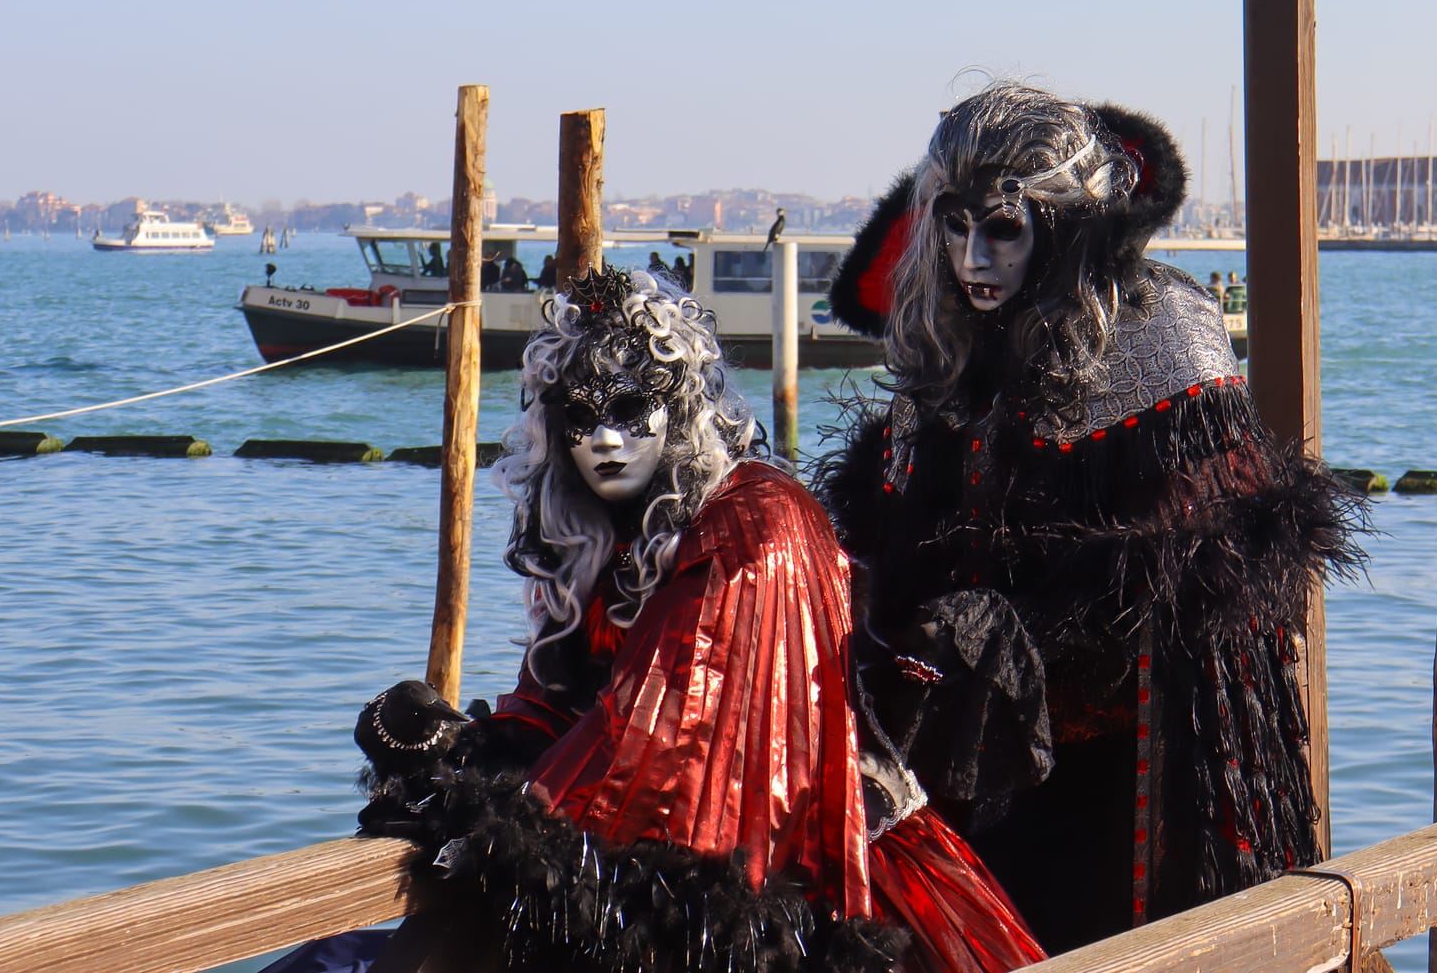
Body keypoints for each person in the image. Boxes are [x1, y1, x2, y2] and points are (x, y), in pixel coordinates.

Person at [349, 268, 1042, 973]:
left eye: (628, 406)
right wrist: (464, 747)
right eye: (581, 416)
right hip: (672, 860)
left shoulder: (757, 525)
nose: (604, 441)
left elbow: (670, 748)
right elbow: (565, 705)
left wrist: (492, 816)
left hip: (812, 882)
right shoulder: (608, 535)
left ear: (680, 408)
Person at [819, 81, 1363, 952]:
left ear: (1065, 224)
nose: (972, 258)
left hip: (1120, 790)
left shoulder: (1162, 340)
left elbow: (1198, 597)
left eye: (1001, 227)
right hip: (954, 786)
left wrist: (1024, 638)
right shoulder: (947, 358)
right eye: (954, 225)